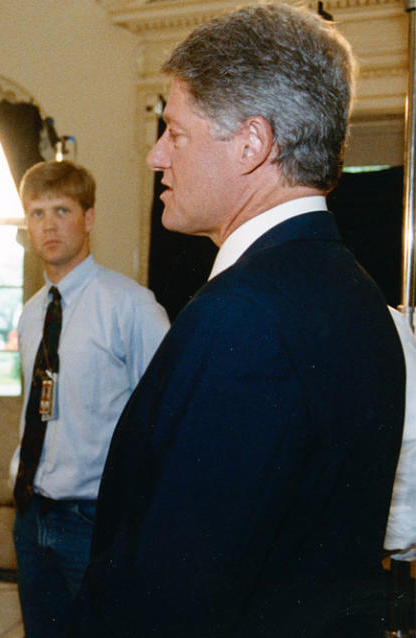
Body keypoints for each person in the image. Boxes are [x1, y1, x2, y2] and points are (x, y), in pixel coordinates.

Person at [72, 4, 405, 636]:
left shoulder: (242, 321)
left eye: (175, 132)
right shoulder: (357, 296)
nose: (154, 157)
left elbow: (171, 592)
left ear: (252, 144)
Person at [8, 160, 169, 637]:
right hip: (31, 515)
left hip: (95, 521)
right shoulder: (33, 313)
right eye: (37, 213)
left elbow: (165, 418)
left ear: (89, 218)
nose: (49, 225)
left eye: (62, 210)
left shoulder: (130, 306)